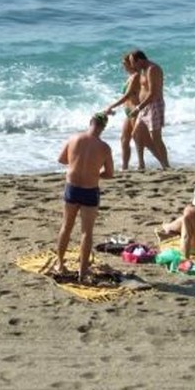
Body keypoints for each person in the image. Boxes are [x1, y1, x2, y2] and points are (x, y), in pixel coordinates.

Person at [54, 113, 115, 282]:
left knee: (66, 226)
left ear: (90, 123)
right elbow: (110, 173)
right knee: (86, 232)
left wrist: (75, 163)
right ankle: (82, 270)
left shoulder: (74, 138)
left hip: (72, 188)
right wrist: (94, 173)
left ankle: (60, 263)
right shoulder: (104, 147)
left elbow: (61, 159)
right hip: (89, 190)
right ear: (103, 128)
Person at [126, 49, 171, 171]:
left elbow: (153, 93)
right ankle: (141, 164)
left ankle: (166, 165)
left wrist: (138, 108)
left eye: (133, 62)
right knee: (136, 134)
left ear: (139, 60)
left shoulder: (152, 69)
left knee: (156, 138)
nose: (132, 65)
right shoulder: (142, 71)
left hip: (154, 105)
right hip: (144, 106)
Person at [103, 53, 146, 171]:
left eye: (125, 63)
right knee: (124, 139)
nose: (123, 66)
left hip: (135, 111)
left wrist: (112, 106)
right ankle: (125, 166)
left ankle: (141, 164)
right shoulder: (130, 76)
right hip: (128, 111)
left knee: (137, 138)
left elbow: (127, 96)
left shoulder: (136, 76)